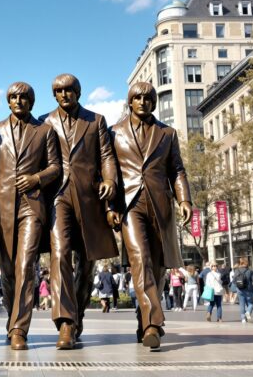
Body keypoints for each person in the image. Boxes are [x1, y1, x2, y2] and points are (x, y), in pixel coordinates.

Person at [107, 81, 192, 351]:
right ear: (130, 101)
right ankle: (154, 323)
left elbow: (177, 170)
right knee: (140, 260)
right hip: (129, 205)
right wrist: (110, 207)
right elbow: (108, 173)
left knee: (157, 267)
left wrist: (184, 199)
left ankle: (143, 319)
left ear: (153, 102)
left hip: (161, 206)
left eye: (147, 98)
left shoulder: (167, 133)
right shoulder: (113, 132)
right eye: (137, 97)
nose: (142, 101)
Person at [39, 73, 119, 350]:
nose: (64, 95)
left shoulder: (95, 121)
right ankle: (65, 323)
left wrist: (109, 181)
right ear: (54, 95)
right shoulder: (44, 122)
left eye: (69, 90)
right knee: (59, 254)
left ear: (78, 92)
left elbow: (107, 156)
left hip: (89, 197)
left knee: (86, 265)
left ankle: (78, 313)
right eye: (59, 91)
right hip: (57, 197)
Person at [0, 81, 60, 349]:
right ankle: (12, 318)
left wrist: (36, 178)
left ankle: (19, 329)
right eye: (14, 97)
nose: (19, 101)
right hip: (2, 206)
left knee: (26, 264)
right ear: (7, 101)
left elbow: (56, 168)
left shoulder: (45, 130)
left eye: (24, 97)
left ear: (32, 101)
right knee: (7, 271)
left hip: (31, 205)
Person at [235, 258, 253, 323]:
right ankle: (248, 312)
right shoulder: (249, 271)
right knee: (251, 303)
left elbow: (234, 280)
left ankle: (243, 319)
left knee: (242, 304)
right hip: (248, 289)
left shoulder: (237, 270)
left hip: (239, 289)